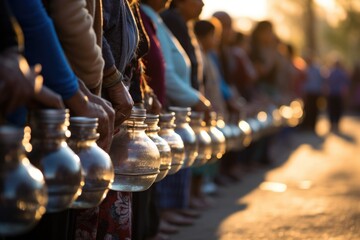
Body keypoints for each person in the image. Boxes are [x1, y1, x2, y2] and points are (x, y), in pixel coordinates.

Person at [301, 54, 324, 132]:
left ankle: (310, 126)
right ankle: (309, 125)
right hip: (314, 91)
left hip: (312, 91)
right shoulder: (316, 69)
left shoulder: (309, 69)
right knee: (310, 109)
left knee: (312, 109)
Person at [325, 60, 350, 132]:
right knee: (338, 110)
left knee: (331, 109)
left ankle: (332, 124)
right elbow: (346, 83)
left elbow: (327, 81)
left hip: (332, 93)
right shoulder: (343, 73)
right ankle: (337, 125)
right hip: (339, 94)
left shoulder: (331, 72)